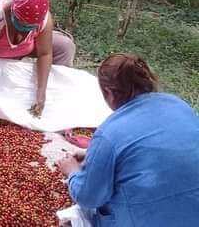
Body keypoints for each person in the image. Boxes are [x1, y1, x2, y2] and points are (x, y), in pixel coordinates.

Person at [56, 53, 199, 227]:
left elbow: (88, 197)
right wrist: (92, 154)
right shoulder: (179, 105)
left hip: (146, 219)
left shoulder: (108, 133)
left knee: (83, 213)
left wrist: (72, 172)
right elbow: (156, 150)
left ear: (108, 92)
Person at [0, 0, 76, 116]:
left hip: (25, 48)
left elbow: (45, 54)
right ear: (13, 10)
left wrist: (41, 91)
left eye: (31, 27)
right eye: (22, 24)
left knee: (65, 46)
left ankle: (52, 93)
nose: (25, 29)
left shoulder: (43, 18)